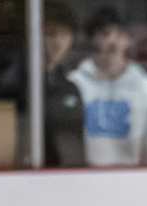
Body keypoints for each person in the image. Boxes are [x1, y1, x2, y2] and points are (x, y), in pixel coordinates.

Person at [69, 7, 147, 166]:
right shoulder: (75, 84)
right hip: (83, 181)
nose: (111, 41)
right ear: (94, 39)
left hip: (131, 184)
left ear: (129, 40)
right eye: (105, 34)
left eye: (119, 34)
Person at [37, 1, 89, 167]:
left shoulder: (71, 88)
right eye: (51, 33)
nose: (58, 41)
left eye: (65, 34)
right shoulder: (15, 85)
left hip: (66, 179)